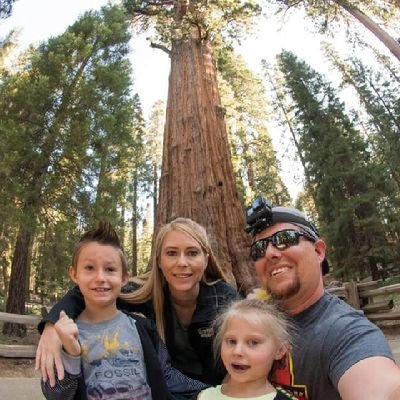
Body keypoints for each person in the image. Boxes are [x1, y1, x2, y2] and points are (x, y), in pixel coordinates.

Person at [36, 217, 239, 387]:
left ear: (205, 259)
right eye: (171, 253)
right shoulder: (142, 292)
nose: (182, 262)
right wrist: (51, 326)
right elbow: (85, 292)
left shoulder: (224, 299)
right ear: (159, 260)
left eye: (192, 253)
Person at [244, 196, 400, 400]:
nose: (270, 253)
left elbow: (380, 388)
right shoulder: (250, 324)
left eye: (285, 238)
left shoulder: (347, 333)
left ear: (318, 251)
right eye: (259, 249)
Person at [197, 299, 296, 400]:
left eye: (253, 342)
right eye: (232, 341)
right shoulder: (202, 396)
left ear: (280, 350)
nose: (237, 351)